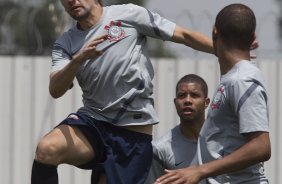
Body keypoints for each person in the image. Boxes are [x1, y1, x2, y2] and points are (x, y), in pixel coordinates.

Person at [31, 0, 214, 184]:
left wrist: (225, 51)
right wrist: (78, 60)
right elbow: (55, 89)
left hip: (132, 135)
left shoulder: (129, 14)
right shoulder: (65, 43)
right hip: (94, 123)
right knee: (47, 149)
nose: (72, 1)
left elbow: (183, 35)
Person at [155, 3, 271, 184]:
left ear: (214, 32)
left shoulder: (242, 80)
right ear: (253, 37)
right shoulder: (232, 78)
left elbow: (261, 146)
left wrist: (199, 170)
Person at [145, 74, 210, 184]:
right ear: (175, 103)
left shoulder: (222, 140)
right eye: (182, 96)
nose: (187, 100)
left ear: (206, 102)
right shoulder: (160, 148)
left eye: (194, 95)